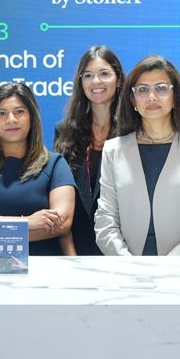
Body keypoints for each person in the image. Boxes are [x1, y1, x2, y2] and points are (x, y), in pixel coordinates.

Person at [94, 55, 180, 256]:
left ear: (175, 96)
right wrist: (127, 263)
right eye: (143, 90)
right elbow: (105, 218)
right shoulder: (113, 150)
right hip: (126, 266)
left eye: (161, 88)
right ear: (132, 99)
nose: (152, 97)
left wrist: (171, 265)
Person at [0, 82, 76, 255]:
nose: (11, 119)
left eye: (19, 111)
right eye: (1, 113)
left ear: (31, 117)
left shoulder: (55, 164)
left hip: (43, 267)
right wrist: (27, 223)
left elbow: (62, 223)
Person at [53, 46, 124, 256]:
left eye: (104, 74)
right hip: (76, 249)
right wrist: (70, 253)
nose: (96, 81)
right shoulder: (65, 131)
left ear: (119, 80)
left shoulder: (133, 132)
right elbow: (58, 198)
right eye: (88, 75)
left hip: (122, 251)